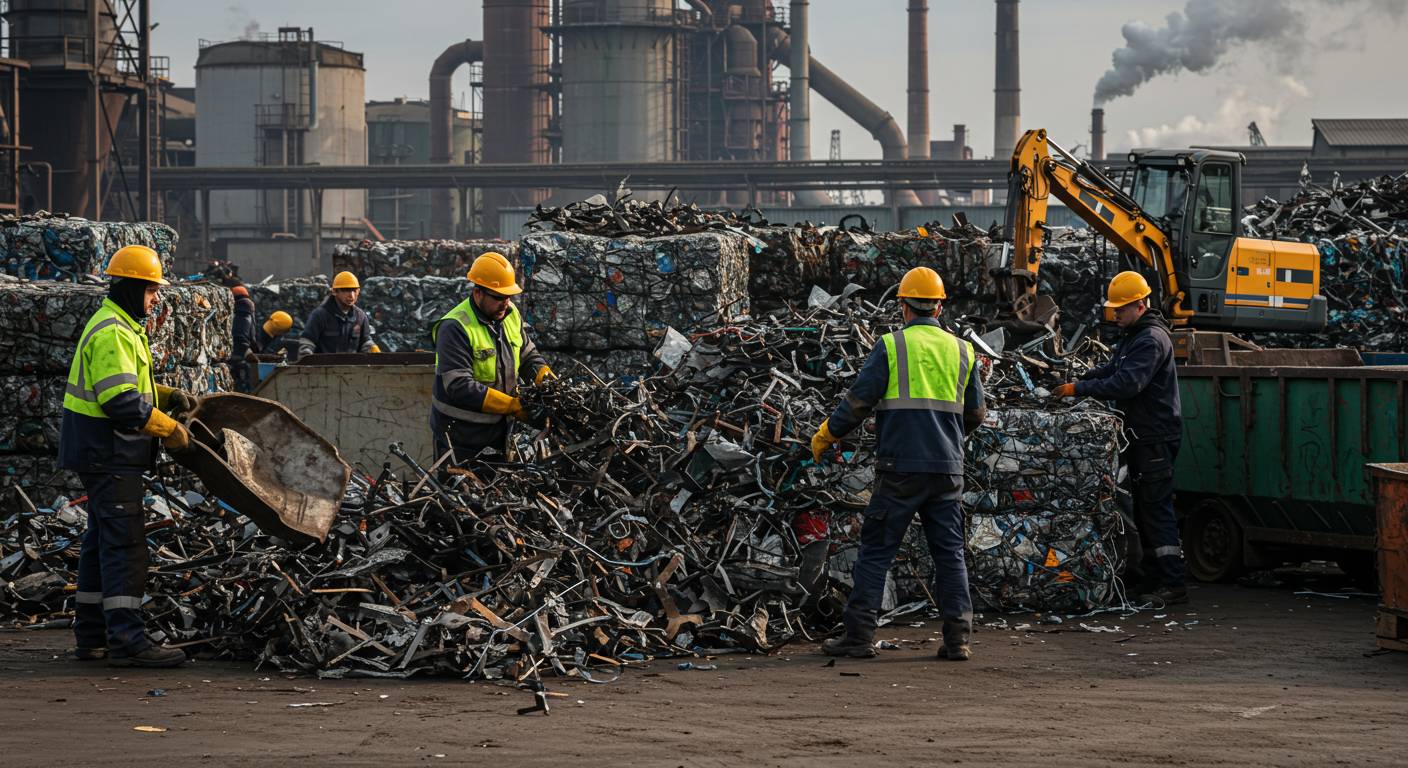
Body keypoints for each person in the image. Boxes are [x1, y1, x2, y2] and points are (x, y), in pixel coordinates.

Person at [812, 267, 986, 661]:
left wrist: (826, 435)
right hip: (947, 470)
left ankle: (858, 637)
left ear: (903, 306)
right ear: (940, 307)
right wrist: (949, 442)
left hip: (899, 470)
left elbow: (858, 402)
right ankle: (958, 640)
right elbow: (975, 413)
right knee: (949, 554)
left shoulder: (890, 346)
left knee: (876, 552)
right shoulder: (963, 350)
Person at [58, 245, 197, 668]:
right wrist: (170, 428)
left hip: (101, 452)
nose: (155, 300)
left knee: (100, 542)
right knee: (125, 545)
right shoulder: (114, 331)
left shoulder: (121, 325)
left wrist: (166, 396)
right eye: (152, 291)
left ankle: (92, 636)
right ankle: (127, 640)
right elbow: (120, 401)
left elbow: (130, 387)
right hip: (108, 452)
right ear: (134, 287)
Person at [1052, 270, 1186, 606]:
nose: (1115, 315)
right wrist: (1081, 376)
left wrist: (1078, 389)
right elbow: (1113, 369)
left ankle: (1173, 582)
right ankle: (1154, 579)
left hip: (1154, 437)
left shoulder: (1151, 339)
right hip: (1141, 436)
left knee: (1156, 510)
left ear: (1140, 305)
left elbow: (1128, 383)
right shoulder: (1134, 336)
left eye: (1121, 309)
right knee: (1143, 509)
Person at [429, 251, 553, 464]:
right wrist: (514, 406)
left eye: (508, 296)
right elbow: (458, 385)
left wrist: (546, 378)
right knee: (463, 494)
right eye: (498, 297)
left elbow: (528, 355)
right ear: (478, 293)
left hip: (499, 432)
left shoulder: (509, 314)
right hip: (460, 437)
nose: (505, 303)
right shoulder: (455, 327)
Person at [296, 271, 379, 359]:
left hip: (352, 369)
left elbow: (365, 342)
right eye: (346, 290)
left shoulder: (360, 317)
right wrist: (306, 365)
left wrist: (372, 349)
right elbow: (307, 343)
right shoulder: (320, 315)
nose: (351, 295)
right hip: (325, 369)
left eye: (354, 290)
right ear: (334, 292)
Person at [229, 285, 257, 391]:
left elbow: (240, 334)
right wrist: (248, 351)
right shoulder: (246, 309)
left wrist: (246, 350)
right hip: (241, 354)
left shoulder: (241, 308)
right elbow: (245, 334)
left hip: (238, 354)